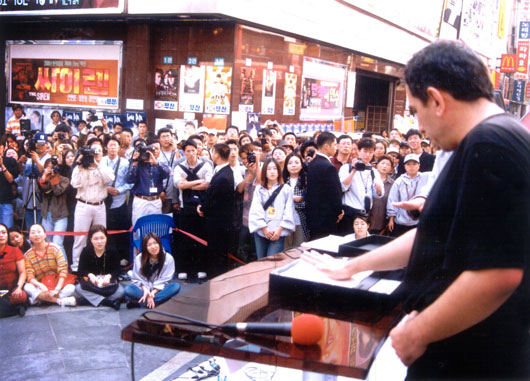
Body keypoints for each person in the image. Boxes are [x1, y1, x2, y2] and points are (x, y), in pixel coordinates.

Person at [303, 40, 530, 380]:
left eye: (415, 110)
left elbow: (497, 273)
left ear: (437, 100)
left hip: (472, 360)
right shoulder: (487, 140)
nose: (419, 126)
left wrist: (418, 331)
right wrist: (351, 266)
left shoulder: (490, 145)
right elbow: (431, 235)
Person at [173, 139, 212, 278]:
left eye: (193, 150)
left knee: (201, 238)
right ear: (184, 152)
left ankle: (201, 268)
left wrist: (188, 183)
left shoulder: (206, 165)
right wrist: (197, 182)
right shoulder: (178, 167)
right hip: (185, 208)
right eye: (187, 151)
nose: (190, 153)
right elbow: (179, 185)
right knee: (185, 239)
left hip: (202, 207)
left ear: (197, 151)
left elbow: (208, 184)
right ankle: (184, 269)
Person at [197, 144, 234, 278]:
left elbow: (216, 200)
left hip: (218, 224)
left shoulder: (224, 176)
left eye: (213, 152)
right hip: (217, 222)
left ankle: (216, 280)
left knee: (217, 254)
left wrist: (203, 209)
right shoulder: (223, 171)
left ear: (217, 154)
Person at [249, 158, 295, 259]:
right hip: (261, 231)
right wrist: (265, 229)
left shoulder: (286, 189)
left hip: (278, 232)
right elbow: (255, 210)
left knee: (272, 261)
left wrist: (279, 230)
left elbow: (288, 211)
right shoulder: (259, 189)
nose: (272, 171)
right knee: (261, 261)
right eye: (269, 169)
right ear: (264, 172)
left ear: (279, 171)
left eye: (275, 168)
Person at [338, 138, 383, 235]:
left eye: (371, 152)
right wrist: (354, 170)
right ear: (358, 151)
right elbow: (342, 187)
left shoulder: (374, 171)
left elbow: (378, 194)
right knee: (347, 240)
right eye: (365, 151)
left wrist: (378, 189)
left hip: (365, 213)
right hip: (350, 212)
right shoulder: (347, 167)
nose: (367, 155)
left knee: (361, 241)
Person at [23, 224, 76, 307]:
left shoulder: (55, 248)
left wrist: (57, 289)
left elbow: (63, 270)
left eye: (39, 232)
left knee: (71, 288)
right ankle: (59, 301)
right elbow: (30, 277)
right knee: (27, 287)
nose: (36, 234)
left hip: (56, 283)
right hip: (41, 285)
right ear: (29, 237)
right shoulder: (28, 255)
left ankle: (39, 300)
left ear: (45, 234)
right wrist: (41, 286)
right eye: (33, 232)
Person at [124, 232, 180, 309]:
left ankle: (143, 303)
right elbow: (136, 279)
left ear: (159, 243)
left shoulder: (168, 258)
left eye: (155, 243)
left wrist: (152, 293)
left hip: (159, 290)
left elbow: (165, 280)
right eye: (149, 245)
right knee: (128, 289)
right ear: (145, 247)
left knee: (175, 286)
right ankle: (157, 302)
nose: (153, 247)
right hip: (144, 290)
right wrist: (145, 290)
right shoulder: (139, 258)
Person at [75, 225, 124, 310]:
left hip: (107, 285)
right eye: (96, 239)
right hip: (92, 285)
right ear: (91, 239)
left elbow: (118, 270)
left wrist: (109, 276)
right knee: (78, 288)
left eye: (102, 238)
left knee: (121, 291)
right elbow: (81, 270)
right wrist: (90, 275)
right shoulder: (86, 251)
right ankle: (107, 302)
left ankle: (88, 301)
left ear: (106, 238)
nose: (99, 241)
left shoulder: (112, 250)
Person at [305, 132, 343, 239]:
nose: (336, 148)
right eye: (335, 145)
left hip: (313, 216)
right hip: (327, 218)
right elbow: (335, 193)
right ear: (327, 146)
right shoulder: (328, 167)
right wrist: (339, 211)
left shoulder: (312, 163)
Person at [103, 137, 133, 264]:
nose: (113, 148)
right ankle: (108, 259)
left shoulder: (125, 163)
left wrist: (120, 190)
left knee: (121, 231)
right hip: (103, 201)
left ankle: (122, 259)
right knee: (106, 231)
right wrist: (106, 189)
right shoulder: (100, 162)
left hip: (120, 200)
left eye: (115, 145)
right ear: (106, 147)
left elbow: (130, 182)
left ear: (119, 148)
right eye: (110, 145)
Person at [126, 138, 169, 226]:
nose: (154, 151)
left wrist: (156, 163)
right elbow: (129, 179)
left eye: (156, 149)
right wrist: (134, 163)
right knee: (138, 228)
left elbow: (166, 174)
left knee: (155, 227)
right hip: (140, 200)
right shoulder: (137, 164)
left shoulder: (160, 163)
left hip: (155, 200)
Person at [386, 154, 429, 237]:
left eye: (414, 164)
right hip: (401, 220)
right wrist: (391, 219)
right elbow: (392, 199)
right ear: (404, 166)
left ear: (419, 165)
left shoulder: (426, 177)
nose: (411, 167)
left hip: (418, 221)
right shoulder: (399, 181)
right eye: (408, 164)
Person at [38, 157, 70, 259]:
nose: (51, 170)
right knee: (47, 242)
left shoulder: (64, 180)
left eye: (53, 168)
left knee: (57, 243)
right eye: (48, 168)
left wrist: (53, 178)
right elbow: (39, 193)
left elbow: (57, 191)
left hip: (60, 215)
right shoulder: (43, 179)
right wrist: (44, 177)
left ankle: (63, 267)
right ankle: (51, 267)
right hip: (46, 214)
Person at [0, 223, 27, 317]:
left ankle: (7, 307)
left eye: (3, 232)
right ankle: (16, 309)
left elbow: (22, 272)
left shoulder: (15, 251)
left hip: (12, 289)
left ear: (7, 235)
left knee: (22, 296)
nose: (1, 235)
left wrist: (19, 287)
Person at [282, 153, 309, 247]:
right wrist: (293, 198)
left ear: (301, 165)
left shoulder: (306, 180)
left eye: (297, 162)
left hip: (301, 219)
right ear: (286, 166)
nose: (293, 165)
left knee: (299, 247)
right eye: (290, 163)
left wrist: (300, 199)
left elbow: (307, 200)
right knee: (285, 248)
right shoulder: (281, 181)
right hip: (284, 220)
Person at [368, 155, 394, 234]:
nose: (384, 166)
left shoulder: (392, 183)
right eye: (382, 163)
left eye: (388, 164)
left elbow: (393, 202)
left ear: (391, 168)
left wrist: (391, 220)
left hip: (382, 219)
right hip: (367, 218)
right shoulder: (369, 178)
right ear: (377, 165)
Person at [0, 143, 19, 228]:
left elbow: (10, 179)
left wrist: (2, 165)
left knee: (7, 229)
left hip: (5, 201)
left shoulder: (10, 161)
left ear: (3, 148)